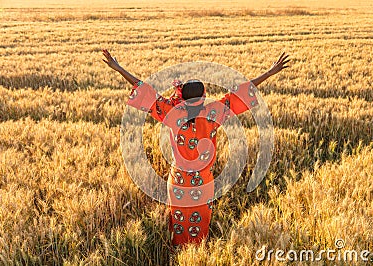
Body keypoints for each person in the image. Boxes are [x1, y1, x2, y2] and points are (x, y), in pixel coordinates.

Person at [102, 49, 289, 246]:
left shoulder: (172, 113)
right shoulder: (213, 112)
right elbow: (241, 93)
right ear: (203, 96)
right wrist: (269, 72)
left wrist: (119, 68)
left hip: (179, 180)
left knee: (179, 224)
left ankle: (180, 256)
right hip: (203, 181)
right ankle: (198, 255)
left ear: (182, 97)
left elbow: (144, 90)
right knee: (200, 224)